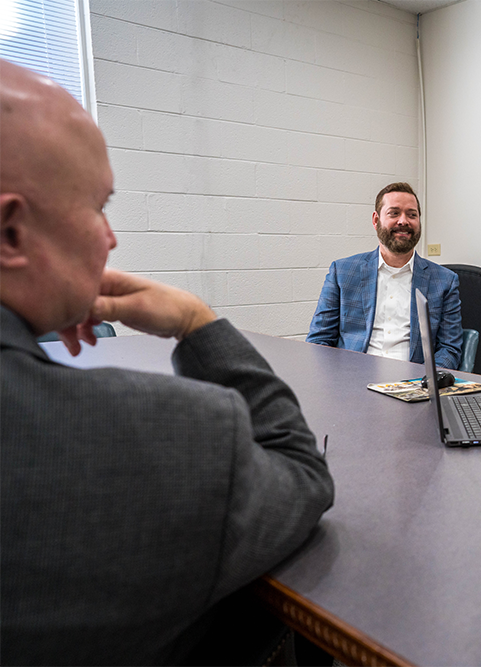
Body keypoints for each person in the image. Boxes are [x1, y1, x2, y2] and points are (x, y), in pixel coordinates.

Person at [0, 59, 335, 664]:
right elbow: (303, 475)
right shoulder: (171, 438)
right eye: (98, 206)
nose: (111, 238)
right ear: (10, 233)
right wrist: (197, 323)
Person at [307, 182, 463, 370]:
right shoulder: (342, 272)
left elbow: (449, 348)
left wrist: (428, 382)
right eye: (394, 213)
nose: (403, 221)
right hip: (353, 382)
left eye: (412, 215)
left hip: (413, 386)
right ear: (375, 220)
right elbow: (319, 341)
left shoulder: (445, 281)